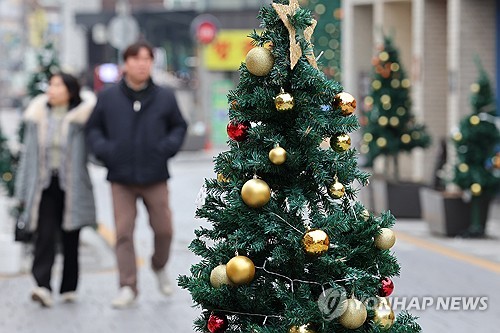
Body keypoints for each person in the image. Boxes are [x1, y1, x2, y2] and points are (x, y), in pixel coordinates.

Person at [85, 40, 187, 309]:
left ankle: (158, 265)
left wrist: (165, 148)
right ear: (125, 63)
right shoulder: (108, 97)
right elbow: (93, 129)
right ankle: (128, 286)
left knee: (164, 230)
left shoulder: (165, 96)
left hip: (155, 175)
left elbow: (179, 126)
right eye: (135, 59)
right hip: (121, 177)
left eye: (146, 59)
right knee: (123, 233)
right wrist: (107, 150)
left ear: (152, 63)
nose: (141, 64)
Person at [15, 72, 97, 307]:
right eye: (50, 84)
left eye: (57, 85)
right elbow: (27, 155)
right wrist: (21, 192)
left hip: (72, 186)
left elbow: (94, 154)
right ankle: (42, 286)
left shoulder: (82, 118)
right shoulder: (37, 116)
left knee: (71, 235)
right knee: (44, 234)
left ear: (70, 91)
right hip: (43, 185)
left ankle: (69, 287)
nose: (51, 89)